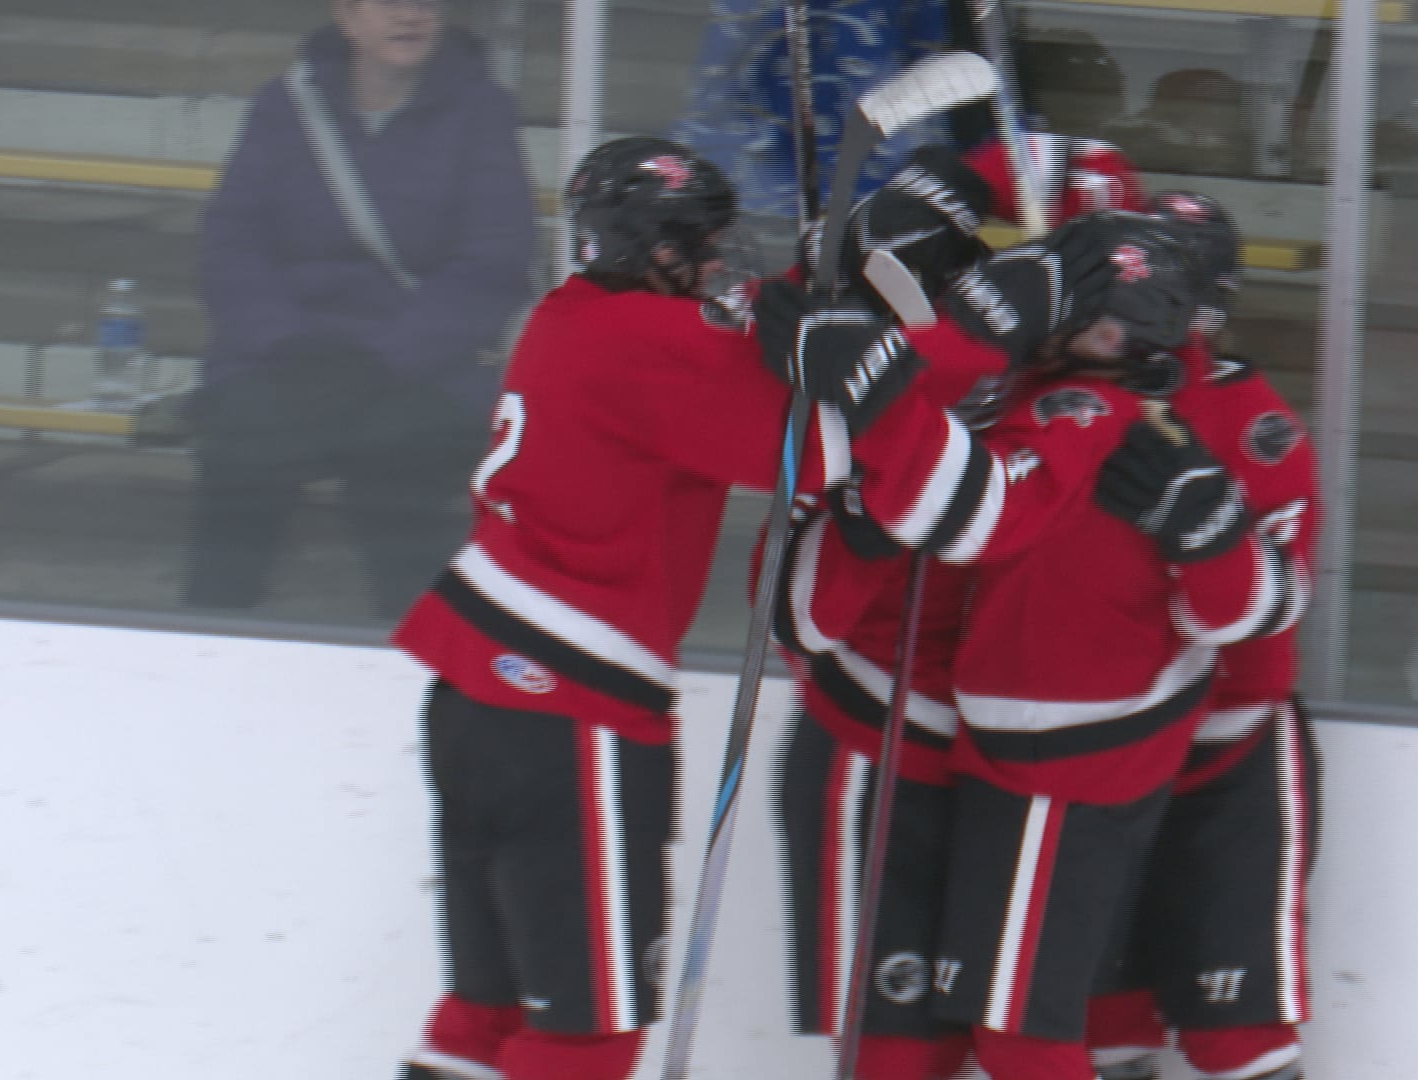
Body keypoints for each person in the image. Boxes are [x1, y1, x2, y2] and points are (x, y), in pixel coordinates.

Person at [390, 135, 1116, 1080]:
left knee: (483, 1014)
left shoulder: (576, 319)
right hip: (564, 708)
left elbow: (762, 351)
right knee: (588, 1035)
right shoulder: (647, 341)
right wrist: (983, 323)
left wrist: (857, 261)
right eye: (697, 244)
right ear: (648, 247)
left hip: (477, 690)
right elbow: (831, 428)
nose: (714, 261)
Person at [764, 210, 1305, 1080]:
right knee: (953, 1037)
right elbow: (796, 608)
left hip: (1050, 768)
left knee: (1019, 1038)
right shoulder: (1069, 401)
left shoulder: (1083, 410)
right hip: (990, 759)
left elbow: (970, 510)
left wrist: (880, 394)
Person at [189, 0, 540, 619]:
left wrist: (389, 357)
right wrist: (283, 342)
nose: (412, 16)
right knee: (244, 442)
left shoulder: (480, 112)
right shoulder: (285, 106)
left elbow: (494, 262)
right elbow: (231, 243)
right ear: (346, 16)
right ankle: (212, 626)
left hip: (419, 362)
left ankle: (411, 638)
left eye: (425, 2)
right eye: (390, 2)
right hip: (289, 354)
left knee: (401, 456)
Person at [1085, 192, 1322, 1080]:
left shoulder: (1259, 430)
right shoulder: (1068, 397)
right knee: (1101, 1027)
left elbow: (1258, 631)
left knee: (1237, 1031)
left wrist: (1204, 540)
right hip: (1098, 758)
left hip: (1228, 760)